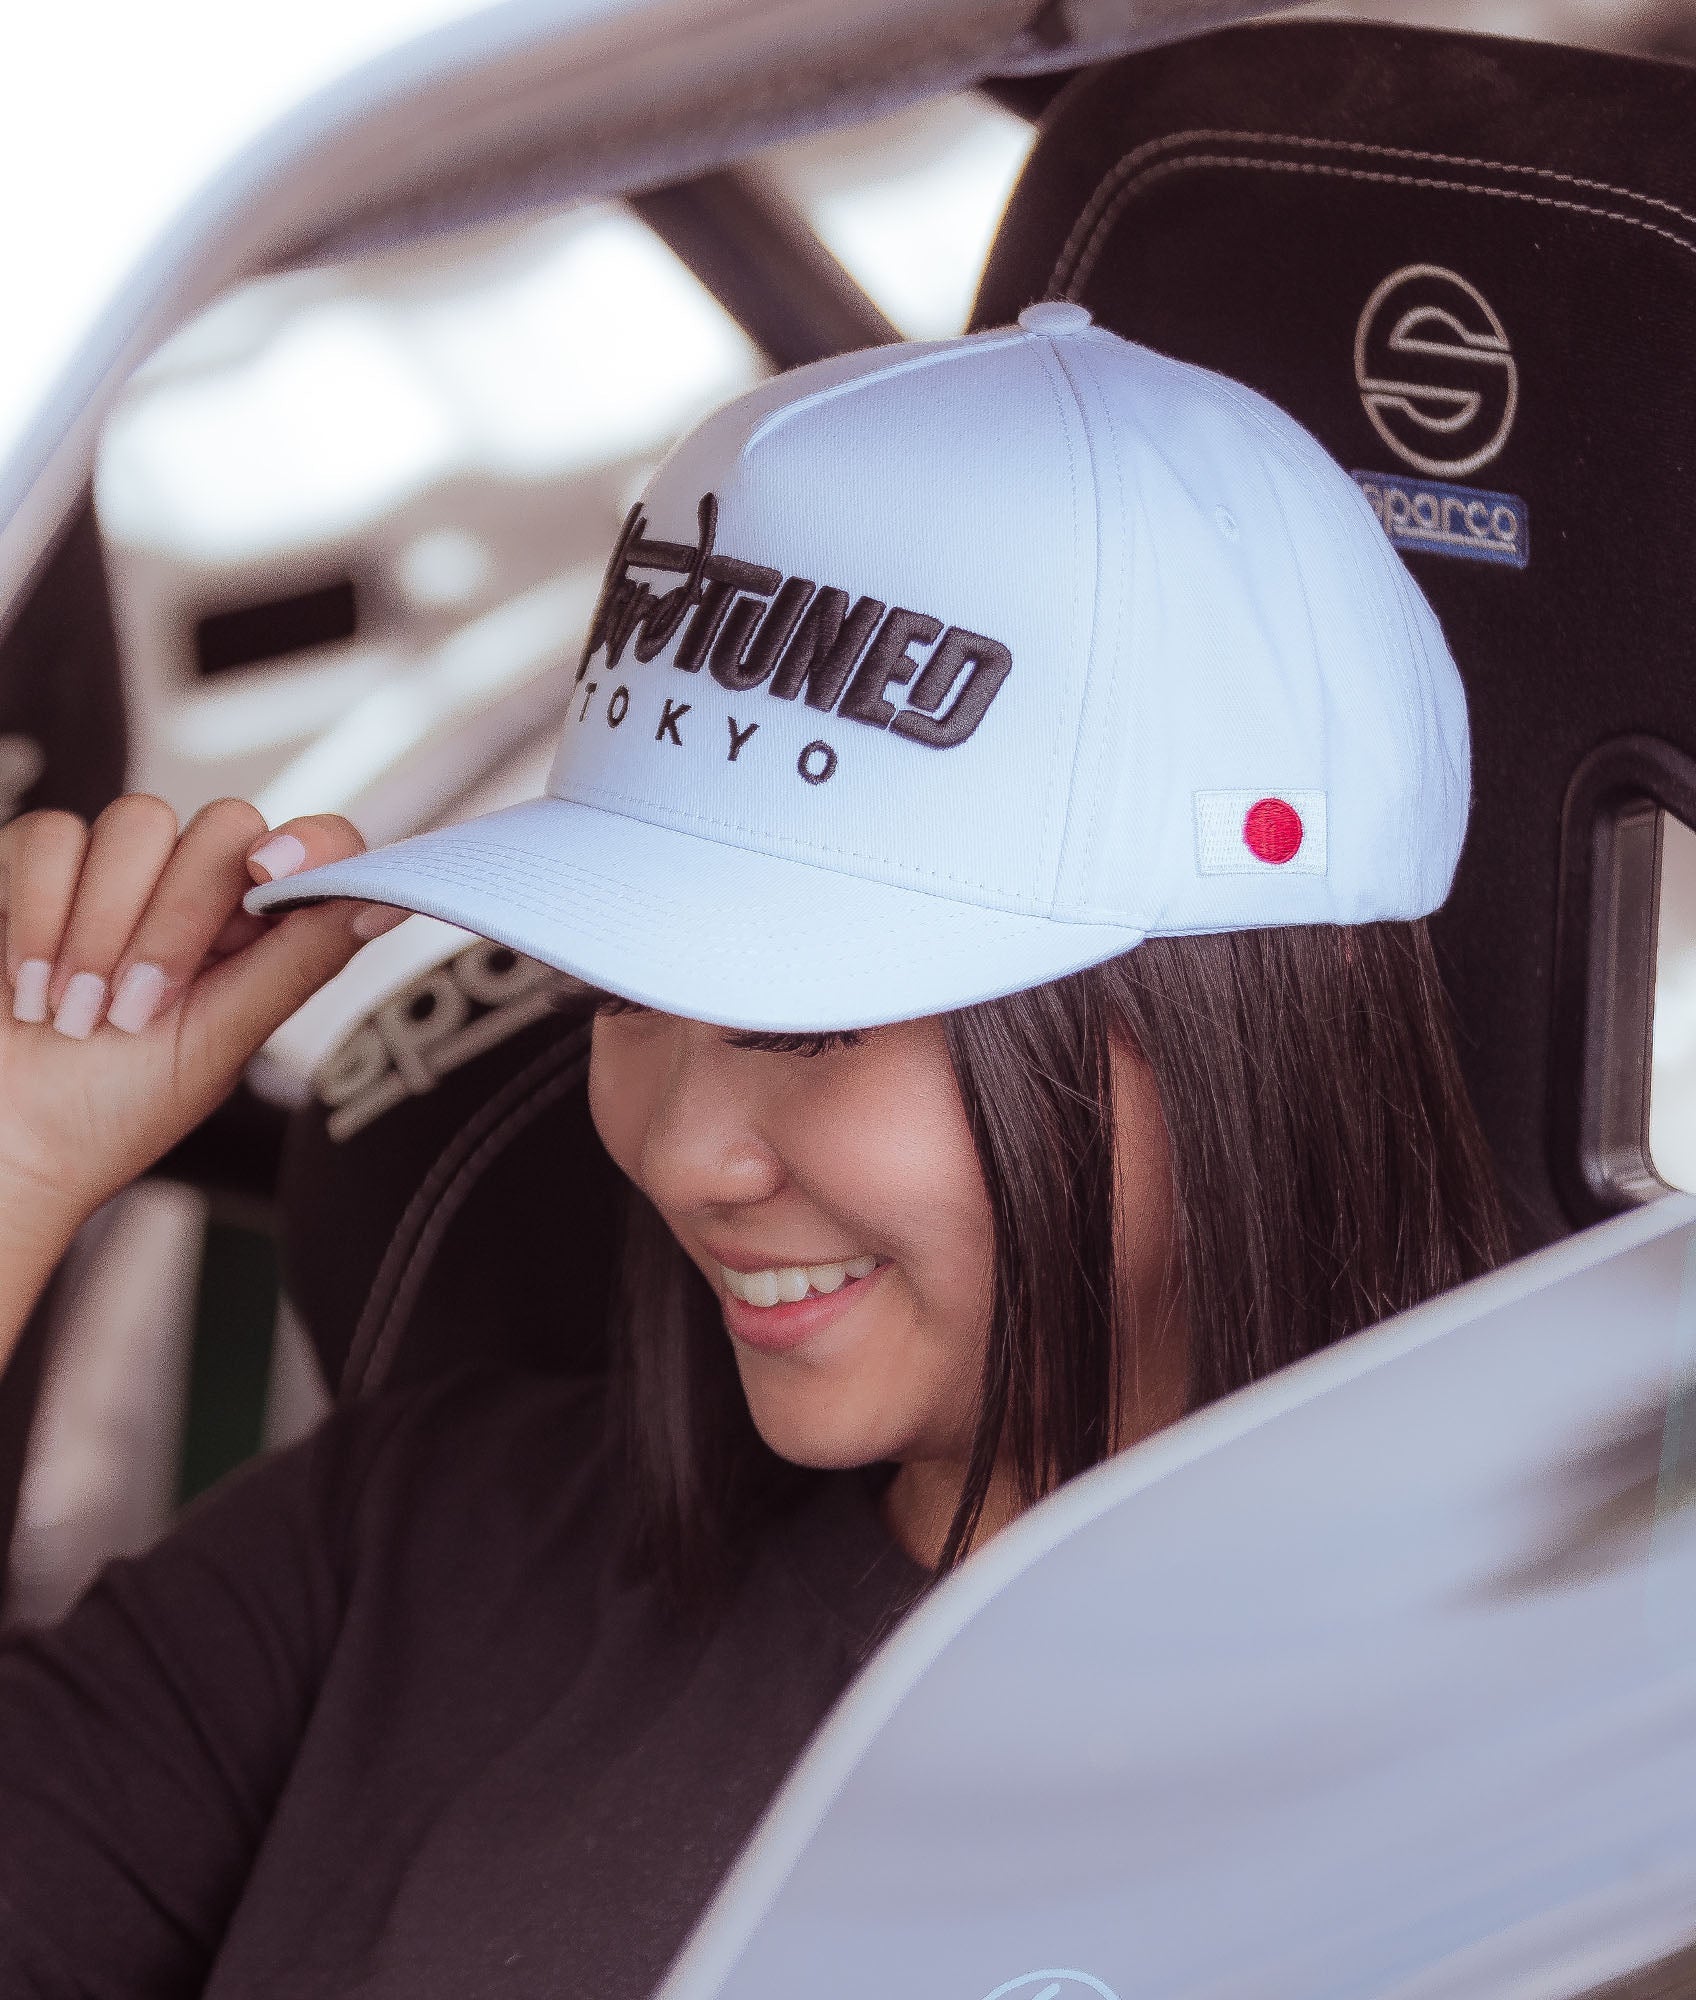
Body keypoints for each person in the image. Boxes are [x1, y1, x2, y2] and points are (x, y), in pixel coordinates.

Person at [0, 306, 1507, 1996]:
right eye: (618, 998)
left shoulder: (1541, 1786)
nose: (682, 1155)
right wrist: (19, 1165)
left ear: (1240, 1033)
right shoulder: (426, 1549)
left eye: (808, 1024)